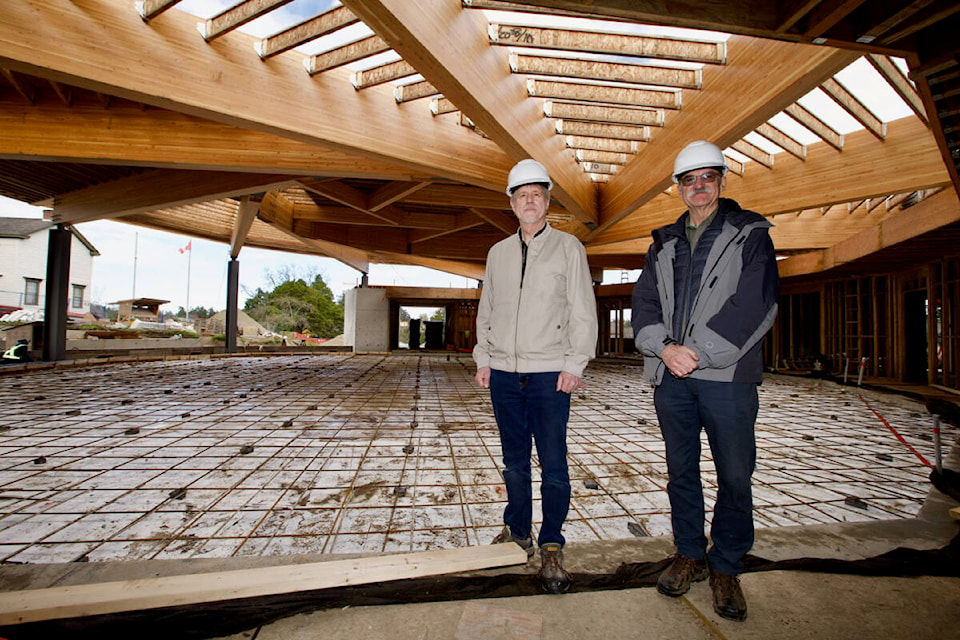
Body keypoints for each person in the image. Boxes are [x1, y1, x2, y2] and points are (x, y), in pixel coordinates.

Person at [631, 141, 779, 621]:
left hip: (727, 375)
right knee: (682, 471)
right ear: (678, 188)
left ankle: (727, 565)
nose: (698, 186)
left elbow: (756, 303)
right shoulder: (663, 243)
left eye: (706, 177)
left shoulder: (749, 232)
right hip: (672, 375)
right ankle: (690, 553)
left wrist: (698, 352)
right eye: (688, 179)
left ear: (721, 181)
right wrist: (665, 349)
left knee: (735, 474)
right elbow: (645, 305)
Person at [473, 159, 598, 594]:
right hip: (504, 374)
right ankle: (519, 532)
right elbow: (487, 310)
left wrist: (574, 363)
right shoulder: (497, 253)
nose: (529, 201)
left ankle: (551, 544)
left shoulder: (569, 248)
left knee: (554, 464)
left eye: (537, 195)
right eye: (521, 195)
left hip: (549, 375)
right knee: (513, 462)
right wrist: (482, 357)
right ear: (512, 203)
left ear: (547, 202)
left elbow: (583, 309)